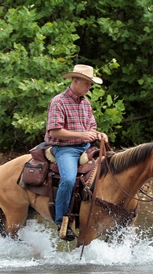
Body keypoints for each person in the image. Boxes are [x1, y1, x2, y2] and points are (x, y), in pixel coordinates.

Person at [45, 64, 108, 241]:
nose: (89, 87)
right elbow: (54, 131)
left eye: (90, 84)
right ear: (75, 81)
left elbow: (92, 127)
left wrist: (99, 134)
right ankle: (61, 221)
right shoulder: (58, 101)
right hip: (65, 149)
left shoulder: (86, 103)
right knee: (68, 179)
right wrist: (82, 135)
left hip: (86, 147)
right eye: (86, 83)